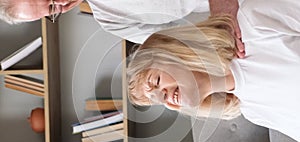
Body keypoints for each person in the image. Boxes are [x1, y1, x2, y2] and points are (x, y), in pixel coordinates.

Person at [127, 0, 300, 142]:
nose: (164, 96)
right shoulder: (253, 112)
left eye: (156, 81)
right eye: (158, 99)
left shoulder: (254, 23)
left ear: (173, 52)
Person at [0, 0, 244, 57]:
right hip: (249, 15)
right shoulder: (110, 20)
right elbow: (183, 43)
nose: (62, 4)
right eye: (52, 9)